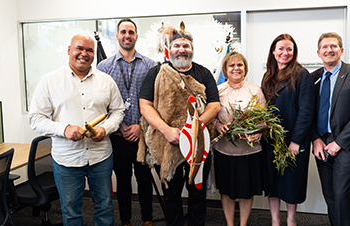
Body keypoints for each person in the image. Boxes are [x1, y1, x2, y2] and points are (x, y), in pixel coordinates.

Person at [28, 34, 125, 226]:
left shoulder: (106, 81)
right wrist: (64, 129)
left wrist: (105, 129)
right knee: (71, 211)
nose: (84, 53)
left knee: (105, 206)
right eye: (79, 48)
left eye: (89, 50)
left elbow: (118, 111)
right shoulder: (49, 81)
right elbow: (36, 119)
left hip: (101, 157)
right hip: (66, 159)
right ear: (69, 50)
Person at [138, 22, 220, 226]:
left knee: (197, 192)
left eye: (186, 46)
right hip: (168, 142)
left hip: (199, 141)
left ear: (192, 49)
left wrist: (195, 128)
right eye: (177, 46)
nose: (181, 50)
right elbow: (145, 106)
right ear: (169, 49)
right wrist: (167, 131)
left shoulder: (203, 73)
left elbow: (215, 105)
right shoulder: (156, 73)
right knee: (171, 194)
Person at [97, 18, 155, 226]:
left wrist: (141, 125)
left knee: (145, 180)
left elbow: (155, 101)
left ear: (136, 37)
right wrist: (117, 124)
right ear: (117, 36)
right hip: (117, 136)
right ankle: (126, 221)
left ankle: (147, 219)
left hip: (143, 135)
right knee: (122, 181)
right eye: (123, 32)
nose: (127, 35)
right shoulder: (104, 67)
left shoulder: (150, 65)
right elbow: (99, 102)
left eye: (131, 32)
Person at [311, 32, 350, 226]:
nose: (329, 50)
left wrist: (339, 142)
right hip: (322, 144)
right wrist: (316, 139)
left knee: (341, 194)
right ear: (318, 53)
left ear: (341, 50)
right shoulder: (313, 78)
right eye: (325, 47)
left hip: (347, 144)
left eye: (334, 46)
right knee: (329, 194)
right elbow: (307, 113)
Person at [261, 34, 315, 226]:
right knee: (273, 182)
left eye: (289, 49)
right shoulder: (268, 76)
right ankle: (275, 220)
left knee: (292, 183)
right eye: (281, 49)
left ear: (294, 52)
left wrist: (296, 141)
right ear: (273, 51)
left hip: (294, 140)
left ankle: (291, 220)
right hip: (271, 140)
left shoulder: (302, 75)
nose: (285, 53)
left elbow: (306, 112)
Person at [213, 51, 265, 226]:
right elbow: (211, 118)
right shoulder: (217, 91)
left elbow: (265, 120)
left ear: (245, 68)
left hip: (249, 151)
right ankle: (229, 224)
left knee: (246, 190)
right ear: (225, 69)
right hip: (224, 149)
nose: (236, 68)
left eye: (239, 65)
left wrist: (257, 132)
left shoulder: (255, 90)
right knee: (226, 190)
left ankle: (243, 224)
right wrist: (219, 126)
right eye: (232, 65)